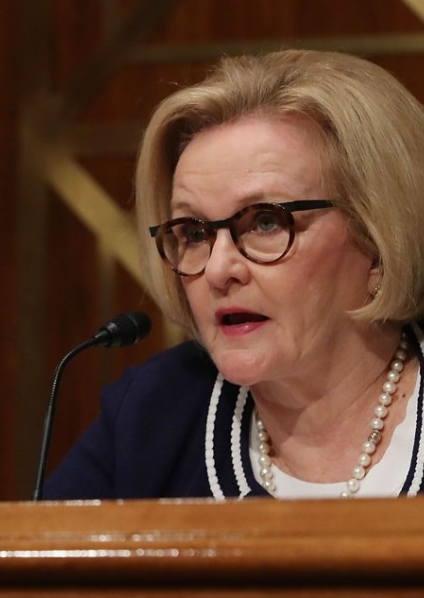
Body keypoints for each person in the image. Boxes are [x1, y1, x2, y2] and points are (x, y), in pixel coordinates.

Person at [43, 49, 424, 500]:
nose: (219, 270)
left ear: (379, 240)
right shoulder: (153, 414)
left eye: (266, 222)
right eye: (195, 232)